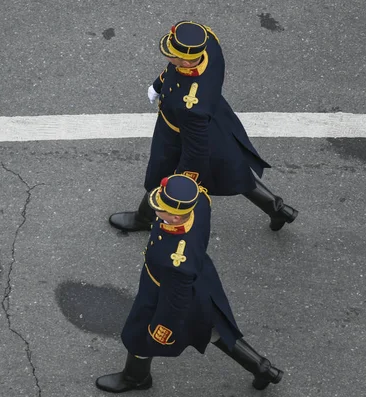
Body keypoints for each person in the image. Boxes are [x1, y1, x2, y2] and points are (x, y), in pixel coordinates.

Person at [96, 173, 283, 393]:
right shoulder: (198, 203)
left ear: (175, 217)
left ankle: (136, 377)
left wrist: (159, 331)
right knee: (214, 330)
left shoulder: (176, 260)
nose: (155, 210)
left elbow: (174, 304)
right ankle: (263, 369)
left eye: (161, 208)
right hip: (200, 278)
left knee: (139, 335)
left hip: (165, 290)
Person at [109, 21, 298, 233]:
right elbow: (176, 65)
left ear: (187, 64)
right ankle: (277, 209)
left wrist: (180, 181)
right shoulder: (207, 44)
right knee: (233, 169)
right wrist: (159, 83)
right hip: (215, 119)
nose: (167, 57)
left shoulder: (188, 106)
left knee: (160, 177)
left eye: (171, 55)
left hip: (181, 135)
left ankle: (144, 218)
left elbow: (195, 152)